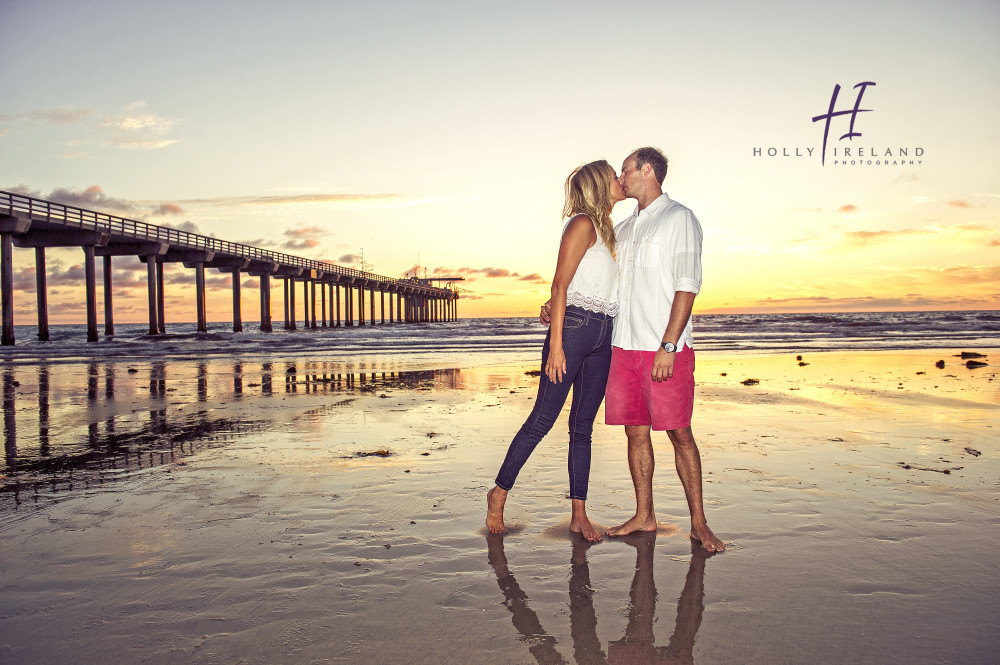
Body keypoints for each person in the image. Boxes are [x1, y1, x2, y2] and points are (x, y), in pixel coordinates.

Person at [542, 147, 725, 552]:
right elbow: (597, 280)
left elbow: (687, 285)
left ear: (646, 170)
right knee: (635, 433)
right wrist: (557, 305)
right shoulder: (620, 229)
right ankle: (645, 514)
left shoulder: (680, 219)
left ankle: (699, 523)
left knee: (680, 433)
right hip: (621, 348)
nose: (621, 178)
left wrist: (669, 345)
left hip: (664, 348)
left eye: (625, 170)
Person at [486, 159, 625, 542]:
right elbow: (560, 286)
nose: (619, 179)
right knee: (542, 420)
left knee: (582, 429)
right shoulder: (582, 223)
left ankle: (579, 515)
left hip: (604, 333)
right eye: (613, 174)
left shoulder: (610, 230)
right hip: (576, 330)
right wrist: (556, 347)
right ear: (599, 183)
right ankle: (498, 492)